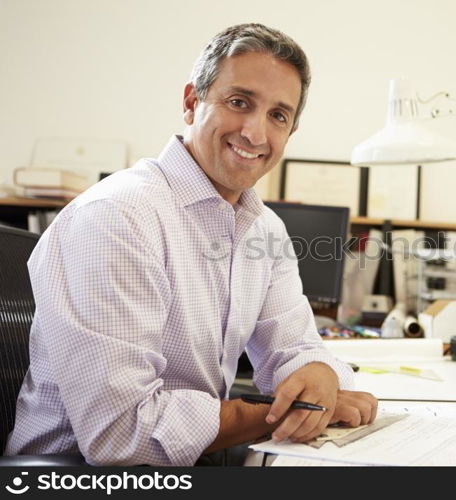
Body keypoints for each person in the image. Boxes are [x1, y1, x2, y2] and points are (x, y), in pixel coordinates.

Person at [5, 23, 377, 466]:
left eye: (278, 115)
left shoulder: (265, 229)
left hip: (191, 458)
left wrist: (317, 375)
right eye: (239, 102)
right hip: (78, 472)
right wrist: (282, 412)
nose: (257, 134)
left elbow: (294, 345)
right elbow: (122, 436)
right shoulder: (115, 218)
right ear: (191, 102)